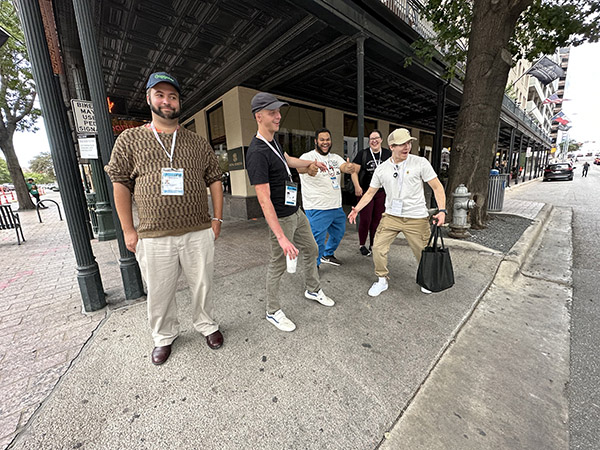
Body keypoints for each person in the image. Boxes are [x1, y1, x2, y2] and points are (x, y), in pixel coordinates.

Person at [105, 72, 224, 365]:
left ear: (179, 102)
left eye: (172, 96)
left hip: (197, 230)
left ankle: (206, 324)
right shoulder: (130, 139)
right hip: (153, 234)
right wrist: (128, 230)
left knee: (203, 284)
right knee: (159, 291)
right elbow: (120, 183)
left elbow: (215, 180)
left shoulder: (197, 142)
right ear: (149, 99)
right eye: (160, 95)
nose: (167, 101)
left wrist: (217, 220)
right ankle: (164, 336)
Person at [245, 92, 336, 332]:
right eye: (273, 112)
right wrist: (282, 238)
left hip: (296, 211)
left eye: (278, 111)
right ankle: (272, 311)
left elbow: (287, 160)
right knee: (278, 264)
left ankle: (312, 289)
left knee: (313, 249)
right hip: (281, 218)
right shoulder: (256, 152)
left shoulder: (273, 142)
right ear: (259, 116)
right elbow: (264, 201)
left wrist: (310, 164)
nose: (278, 116)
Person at [348, 128, 447, 297]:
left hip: (416, 217)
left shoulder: (420, 162)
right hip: (391, 216)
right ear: (391, 146)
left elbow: (437, 187)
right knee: (378, 247)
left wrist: (442, 210)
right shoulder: (382, 169)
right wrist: (357, 209)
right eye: (402, 144)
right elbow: (370, 192)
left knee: (423, 252)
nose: (406, 147)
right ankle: (381, 279)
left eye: (408, 143)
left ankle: (426, 279)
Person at [297, 128, 358, 267]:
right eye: (322, 140)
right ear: (316, 141)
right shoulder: (307, 156)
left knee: (338, 232)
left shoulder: (335, 158)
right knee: (317, 240)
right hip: (317, 207)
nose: (325, 142)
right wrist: (308, 168)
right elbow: (299, 168)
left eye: (327, 139)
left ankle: (328, 254)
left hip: (335, 206)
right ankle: (314, 266)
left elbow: (344, 166)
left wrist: (348, 168)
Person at [350, 130, 391, 256]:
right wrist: (357, 186)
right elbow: (354, 171)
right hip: (365, 191)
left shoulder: (387, 154)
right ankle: (362, 244)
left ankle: (373, 244)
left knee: (377, 220)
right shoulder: (363, 154)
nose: (374, 141)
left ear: (381, 139)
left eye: (376, 138)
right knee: (365, 219)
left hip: (381, 192)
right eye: (371, 139)